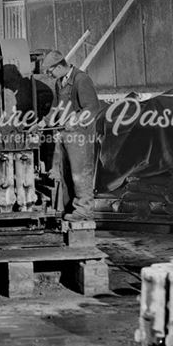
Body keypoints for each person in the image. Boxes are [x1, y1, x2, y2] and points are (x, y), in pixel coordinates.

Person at [38, 50, 101, 221]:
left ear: (59, 66)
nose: (49, 74)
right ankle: (70, 209)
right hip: (65, 135)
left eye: (50, 71)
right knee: (66, 175)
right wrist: (45, 121)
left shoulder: (81, 80)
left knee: (80, 174)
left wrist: (76, 120)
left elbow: (92, 107)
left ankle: (84, 211)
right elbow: (56, 107)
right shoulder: (60, 82)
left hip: (80, 137)